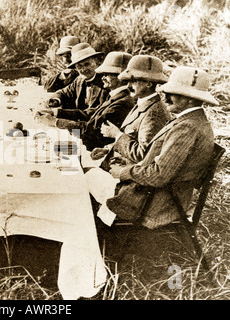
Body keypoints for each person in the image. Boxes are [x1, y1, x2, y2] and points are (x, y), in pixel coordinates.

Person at [91, 66, 218, 229]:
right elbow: (156, 159)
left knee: (84, 180)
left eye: (173, 94)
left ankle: (96, 237)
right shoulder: (188, 121)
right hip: (156, 192)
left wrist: (123, 173)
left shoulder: (188, 127)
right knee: (87, 176)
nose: (164, 98)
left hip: (157, 201)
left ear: (190, 99)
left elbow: (158, 175)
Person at [36, 51, 135, 152]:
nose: (103, 77)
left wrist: (55, 122)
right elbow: (91, 114)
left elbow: (92, 129)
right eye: (79, 66)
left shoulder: (121, 100)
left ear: (123, 78)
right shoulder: (114, 95)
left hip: (101, 148)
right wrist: (55, 112)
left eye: (108, 74)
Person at [90, 54, 172, 166]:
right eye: (127, 81)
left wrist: (117, 135)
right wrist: (108, 149)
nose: (128, 86)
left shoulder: (154, 113)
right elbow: (133, 140)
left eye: (133, 81)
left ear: (149, 83)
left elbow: (144, 155)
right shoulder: (141, 103)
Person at [46, 42, 109, 112]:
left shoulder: (106, 82)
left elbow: (94, 113)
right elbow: (63, 93)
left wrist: (59, 113)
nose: (84, 69)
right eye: (79, 66)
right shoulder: (79, 80)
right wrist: (56, 100)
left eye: (87, 64)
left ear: (96, 62)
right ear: (75, 67)